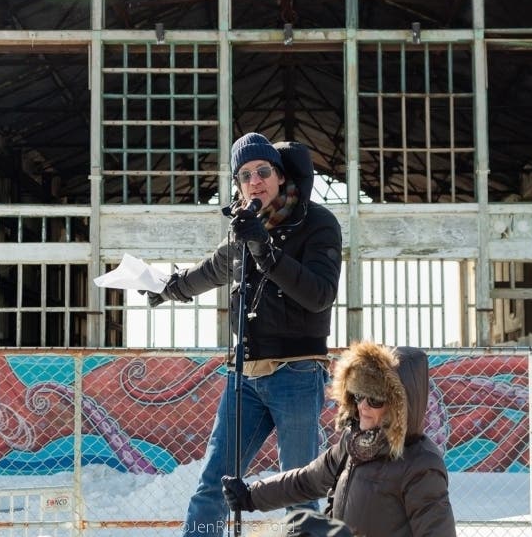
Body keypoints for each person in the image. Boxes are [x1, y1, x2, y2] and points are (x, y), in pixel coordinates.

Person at [147, 132, 343, 535]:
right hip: (245, 378)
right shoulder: (242, 228)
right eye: (245, 175)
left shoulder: (318, 223)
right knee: (212, 486)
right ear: (238, 185)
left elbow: (320, 295)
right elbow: (210, 271)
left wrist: (265, 251)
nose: (255, 181)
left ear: (279, 175)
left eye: (263, 171)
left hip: (297, 374)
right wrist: (164, 288)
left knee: (299, 490)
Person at [221, 342, 457, 537]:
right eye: (358, 395)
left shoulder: (421, 464)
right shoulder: (354, 444)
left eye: (375, 399)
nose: (363, 406)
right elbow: (308, 480)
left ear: (400, 408)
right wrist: (250, 496)